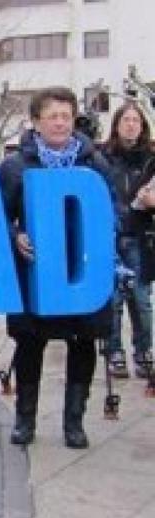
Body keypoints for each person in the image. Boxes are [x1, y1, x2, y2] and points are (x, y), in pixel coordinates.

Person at [0, 87, 115, 449]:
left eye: (66, 116)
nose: (61, 123)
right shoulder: (15, 166)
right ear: (36, 122)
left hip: (83, 271)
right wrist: (14, 235)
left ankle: (74, 422)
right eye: (53, 116)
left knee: (83, 344)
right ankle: (25, 420)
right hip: (36, 272)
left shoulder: (94, 162)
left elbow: (114, 212)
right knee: (30, 343)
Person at [103, 101, 155, 379]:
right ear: (117, 124)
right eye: (126, 120)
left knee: (141, 299)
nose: (131, 124)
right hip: (110, 236)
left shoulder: (150, 158)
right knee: (113, 300)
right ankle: (114, 352)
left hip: (139, 234)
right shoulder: (104, 156)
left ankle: (144, 350)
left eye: (136, 120)